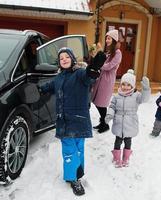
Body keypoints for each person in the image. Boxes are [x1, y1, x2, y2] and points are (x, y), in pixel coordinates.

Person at [39, 47, 105, 196]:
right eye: (61, 58)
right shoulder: (59, 77)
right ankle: (73, 178)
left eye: (66, 57)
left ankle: (77, 173)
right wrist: (40, 90)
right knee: (69, 150)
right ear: (59, 62)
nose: (64, 60)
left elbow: (90, 77)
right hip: (65, 122)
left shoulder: (80, 73)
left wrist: (94, 67)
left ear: (72, 58)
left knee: (79, 148)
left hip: (79, 120)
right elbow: (49, 87)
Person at [105, 69, 151, 167]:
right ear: (120, 84)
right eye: (123, 84)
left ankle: (126, 158)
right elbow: (112, 106)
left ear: (133, 86)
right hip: (118, 123)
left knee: (128, 141)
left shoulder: (136, 96)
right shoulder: (117, 96)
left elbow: (145, 99)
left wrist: (146, 89)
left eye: (128, 85)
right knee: (117, 141)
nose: (125, 87)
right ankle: (117, 158)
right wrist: (109, 115)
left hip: (130, 122)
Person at [91, 29, 122, 133]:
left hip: (107, 80)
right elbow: (101, 61)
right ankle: (102, 122)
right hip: (100, 78)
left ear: (113, 39)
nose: (107, 40)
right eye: (106, 38)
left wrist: (99, 65)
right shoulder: (108, 51)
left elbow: (109, 66)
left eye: (109, 38)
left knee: (102, 103)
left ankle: (105, 124)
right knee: (96, 101)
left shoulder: (118, 53)